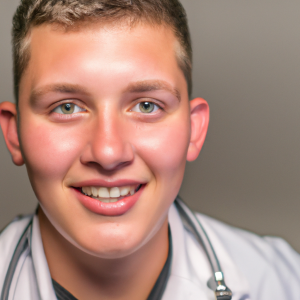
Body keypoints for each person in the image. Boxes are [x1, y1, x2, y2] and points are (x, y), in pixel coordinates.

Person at [0, 0, 300, 299]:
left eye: (147, 106)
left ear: (194, 129)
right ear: (14, 134)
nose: (108, 153)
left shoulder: (280, 280)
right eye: (66, 108)